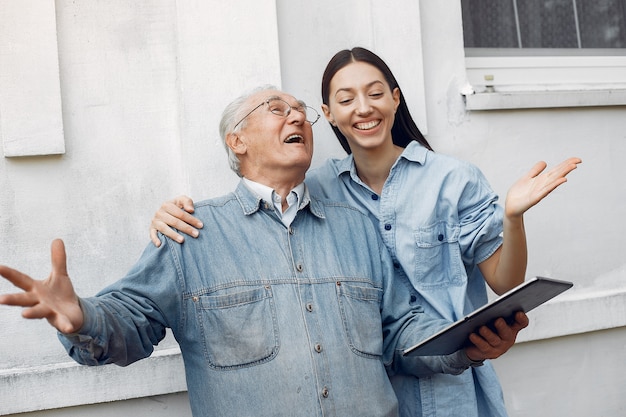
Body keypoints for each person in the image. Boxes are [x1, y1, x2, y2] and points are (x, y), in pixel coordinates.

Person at [0, 86, 529, 417]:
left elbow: (401, 333)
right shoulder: (192, 233)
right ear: (237, 141)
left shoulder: (358, 229)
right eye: (277, 109)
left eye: (302, 111)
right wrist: (81, 318)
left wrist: (468, 345)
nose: (297, 117)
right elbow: (130, 324)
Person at [149, 48, 581, 417]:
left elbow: (505, 282)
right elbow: (258, 207)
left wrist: (513, 217)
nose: (364, 108)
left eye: (376, 94)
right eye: (346, 99)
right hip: (368, 394)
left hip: (452, 387)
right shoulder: (314, 187)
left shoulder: (454, 179)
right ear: (329, 115)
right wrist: (171, 217)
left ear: (395, 100)